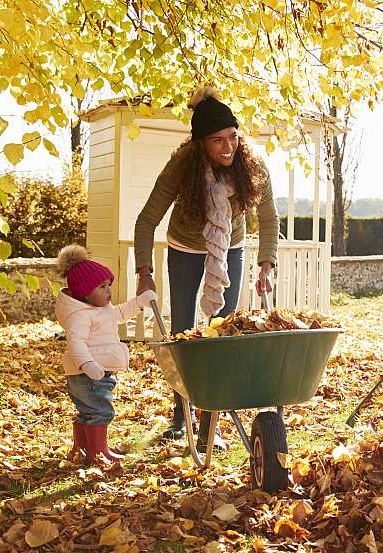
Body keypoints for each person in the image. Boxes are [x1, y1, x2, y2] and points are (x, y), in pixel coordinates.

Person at [134, 87, 279, 449]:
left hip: (229, 249)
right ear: (200, 144)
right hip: (185, 249)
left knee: (221, 334)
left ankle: (208, 422)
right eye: (218, 141)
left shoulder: (252, 166)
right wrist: (144, 272)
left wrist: (266, 264)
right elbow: (145, 221)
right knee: (183, 332)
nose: (228, 147)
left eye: (233, 137)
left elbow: (268, 216)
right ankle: (180, 416)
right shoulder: (181, 171)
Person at [55, 245, 158, 465]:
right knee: (101, 412)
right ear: (84, 292)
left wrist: (139, 302)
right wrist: (87, 364)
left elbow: (120, 313)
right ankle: (98, 452)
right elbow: (76, 342)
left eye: (108, 285)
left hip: (95, 372)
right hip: (88, 374)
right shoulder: (80, 316)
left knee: (88, 413)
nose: (109, 291)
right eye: (102, 287)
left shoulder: (101, 309)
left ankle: (83, 449)